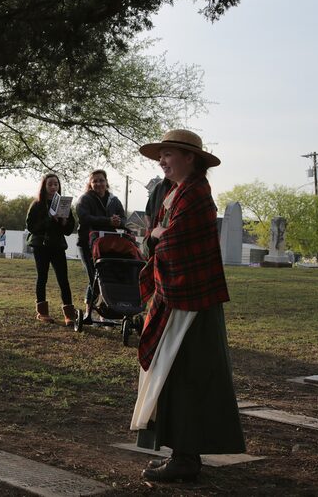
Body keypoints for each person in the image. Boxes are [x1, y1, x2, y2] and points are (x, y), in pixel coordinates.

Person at [131, 129, 244, 482]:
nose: (162, 161)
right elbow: (162, 237)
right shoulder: (177, 193)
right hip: (179, 298)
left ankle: (186, 457)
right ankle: (180, 452)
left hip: (191, 300)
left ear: (189, 158)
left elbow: (174, 244)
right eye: (160, 155)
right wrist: (157, 235)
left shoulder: (196, 195)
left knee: (186, 375)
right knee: (175, 373)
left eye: (168, 154)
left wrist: (154, 236)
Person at [25, 173, 78, 326]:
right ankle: (42, 312)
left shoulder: (64, 205)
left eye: (56, 184)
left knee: (63, 278)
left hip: (57, 245)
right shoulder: (37, 204)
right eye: (50, 184)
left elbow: (69, 230)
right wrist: (49, 219)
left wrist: (63, 221)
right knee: (42, 277)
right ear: (44, 186)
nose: (53, 187)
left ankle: (69, 314)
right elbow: (31, 227)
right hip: (40, 245)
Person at [75, 169, 126, 323]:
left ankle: (106, 312)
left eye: (101, 180)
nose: (98, 183)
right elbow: (84, 218)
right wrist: (108, 221)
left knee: (106, 279)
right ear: (90, 183)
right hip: (87, 244)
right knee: (94, 279)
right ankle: (89, 312)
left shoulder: (114, 200)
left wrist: (119, 222)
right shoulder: (84, 199)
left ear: (106, 182)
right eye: (95, 180)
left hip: (107, 245)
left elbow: (123, 220)